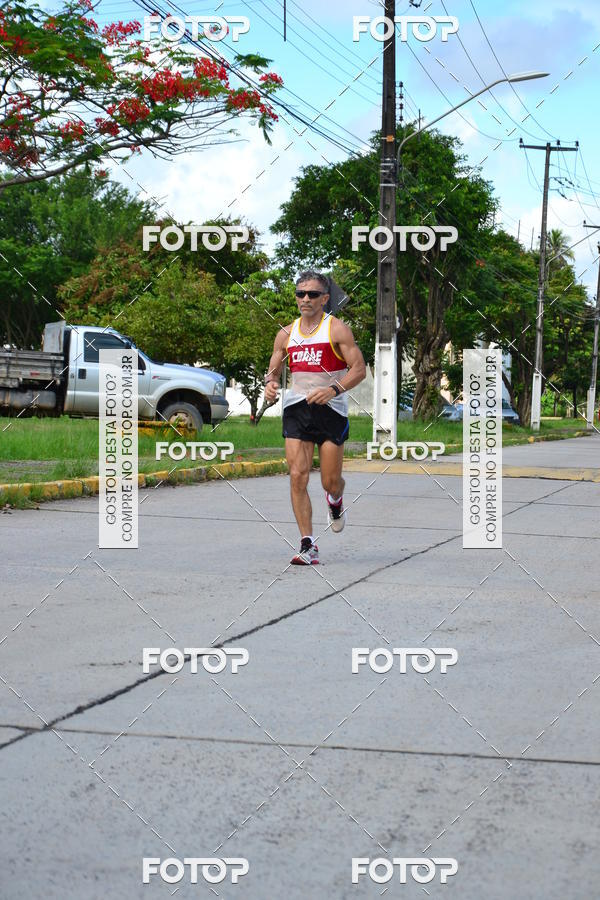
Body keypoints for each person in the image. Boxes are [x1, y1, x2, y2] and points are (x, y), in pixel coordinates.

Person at [264, 271, 366, 565]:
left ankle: (336, 499)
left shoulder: (337, 330)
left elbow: (358, 369)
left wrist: (333, 390)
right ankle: (308, 544)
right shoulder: (286, 333)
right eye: (300, 294)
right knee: (297, 475)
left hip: (331, 410)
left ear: (324, 298)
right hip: (296, 407)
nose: (305, 299)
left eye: (312, 294)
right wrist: (270, 385)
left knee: (329, 482)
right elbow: (274, 369)